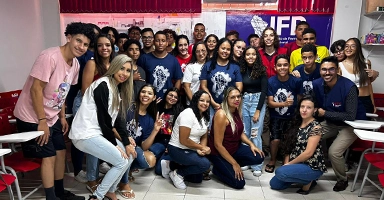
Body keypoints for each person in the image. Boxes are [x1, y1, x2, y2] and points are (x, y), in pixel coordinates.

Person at [13, 22, 94, 200]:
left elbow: (62, 92)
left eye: (85, 44)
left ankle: (59, 192)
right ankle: (51, 197)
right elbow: (36, 90)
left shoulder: (75, 65)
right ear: (69, 37)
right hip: (32, 116)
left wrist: (62, 117)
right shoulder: (49, 56)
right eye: (78, 41)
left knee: (61, 152)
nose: (81, 47)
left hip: (51, 116)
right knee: (49, 156)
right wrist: (41, 121)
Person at [70, 54, 136, 200]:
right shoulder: (103, 84)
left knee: (129, 154)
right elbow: (103, 119)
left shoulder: (116, 89)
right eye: (121, 68)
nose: (124, 73)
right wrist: (115, 144)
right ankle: (97, 196)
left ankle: (110, 190)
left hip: (96, 134)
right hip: (84, 134)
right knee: (121, 160)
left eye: (127, 71)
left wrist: (126, 143)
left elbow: (119, 121)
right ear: (114, 67)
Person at [312, 56, 367, 192]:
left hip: (350, 125)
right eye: (324, 69)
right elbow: (317, 105)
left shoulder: (349, 87)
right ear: (320, 71)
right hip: (331, 123)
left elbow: (350, 115)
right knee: (309, 136)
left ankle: (342, 179)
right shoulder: (317, 84)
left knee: (334, 152)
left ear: (337, 70)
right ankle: (312, 173)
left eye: (331, 69)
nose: (327, 72)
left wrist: (324, 113)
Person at [72, 33, 115, 188]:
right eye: (100, 45)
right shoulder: (92, 63)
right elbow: (85, 90)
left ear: (113, 47)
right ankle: (92, 179)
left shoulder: (114, 64)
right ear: (95, 48)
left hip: (103, 107)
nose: (104, 48)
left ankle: (95, 174)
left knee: (99, 143)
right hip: (87, 105)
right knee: (92, 142)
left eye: (107, 45)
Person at [208, 86, 264, 189]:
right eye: (233, 97)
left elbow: (240, 132)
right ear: (226, 99)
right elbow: (218, 145)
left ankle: (228, 164)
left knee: (259, 156)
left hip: (234, 149)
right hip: (219, 153)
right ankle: (217, 169)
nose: (237, 99)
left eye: (238, 96)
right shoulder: (221, 114)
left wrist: (251, 144)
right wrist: (234, 164)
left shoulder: (236, 109)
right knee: (239, 184)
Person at [270, 95, 327, 195]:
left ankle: (308, 181)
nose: (304, 110)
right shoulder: (296, 122)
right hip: (297, 163)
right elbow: (288, 146)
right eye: (302, 107)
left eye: (309, 108)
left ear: (315, 110)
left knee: (280, 172)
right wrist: (286, 163)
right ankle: (300, 176)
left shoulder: (316, 127)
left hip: (311, 165)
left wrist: (289, 165)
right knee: (274, 184)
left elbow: (308, 153)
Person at [166, 90, 212, 189]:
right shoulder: (188, 113)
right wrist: (200, 147)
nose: (205, 104)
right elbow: (183, 140)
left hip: (191, 148)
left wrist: (202, 148)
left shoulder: (205, 115)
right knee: (205, 164)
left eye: (207, 101)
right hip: (177, 148)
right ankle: (177, 173)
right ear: (195, 101)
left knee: (197, 179)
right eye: (202, 100)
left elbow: (204, 135)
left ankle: (172, 165)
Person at [265, 54, 303, 173]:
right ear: (275, 67)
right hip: (276, 116)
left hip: (292, 116)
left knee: (289, 139)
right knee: (275, 139)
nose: (282, 68)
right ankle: (272, 160)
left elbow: (300, 98)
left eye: (285, 65)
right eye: (279, 65)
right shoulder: (271, 81)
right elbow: (270, 103)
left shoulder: (296, 81)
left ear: (289, 66)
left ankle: (286, 160)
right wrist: (284, 104)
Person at [239, 46, 268, 177]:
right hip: (244, 101)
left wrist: (258, 110)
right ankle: (247, 160)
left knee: (255, 134)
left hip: (257, 102)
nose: (250, 57)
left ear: (257, 56)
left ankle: (257, 164)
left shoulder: (262, 70)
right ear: (244, 57)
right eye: (248, 54)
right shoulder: (241, 70)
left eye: (253, 54)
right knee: (245, 133)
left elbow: (264, 92)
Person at [125, 84, 164, 179]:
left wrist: (155, 130)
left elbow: (144, 146)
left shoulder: (150, 119)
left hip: (134, 147)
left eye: (149, 93)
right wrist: (126, 140)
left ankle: (129, 169)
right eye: (143, 92)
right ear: (139, 94)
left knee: (150, 160)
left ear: (154, 98)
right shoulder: (128, 107)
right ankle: (123, 176)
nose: (145, 95)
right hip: (120, 140)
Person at [200, 38, 243, 122]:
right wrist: (213, 103)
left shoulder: (235, 67)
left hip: (230, 105)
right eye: (223, 48)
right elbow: (203, 86)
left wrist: (230, 102)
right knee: (211, 130)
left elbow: (239, 86)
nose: (225, 51)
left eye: (228, 49)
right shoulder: (208, 65)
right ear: (217, 49)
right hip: (211, 104)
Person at [137, 31, 183, 98]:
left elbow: (178, 79)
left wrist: (174, 95)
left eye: (163, 41)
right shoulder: (144, 59)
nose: (160, 43)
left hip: (167, 100)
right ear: (153, 42)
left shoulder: (173, 60)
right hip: (148, 99)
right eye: (157, 41)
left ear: (167, 43)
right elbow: (139, 79)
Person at [340, 38, 376, 113]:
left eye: (353, 46)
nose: (349, 49)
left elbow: (369, 85)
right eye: (346, 46)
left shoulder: (366, 63)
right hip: (349, 101)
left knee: (366, 123)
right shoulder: (339, 65)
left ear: (358, 48)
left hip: (365, 100)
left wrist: (373, 103)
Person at [154, 88, 184, 177]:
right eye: (170, 95)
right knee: (152, 152)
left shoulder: (180, 111)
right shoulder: (158, 107)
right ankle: (162, 157)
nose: (172, 98)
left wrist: (172, 145)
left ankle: (177, 164)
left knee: (159, 171)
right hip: (159, 141)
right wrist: (153, 106)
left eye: (175, 97)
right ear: (166, 95)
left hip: (172, 142)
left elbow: (181, 131)